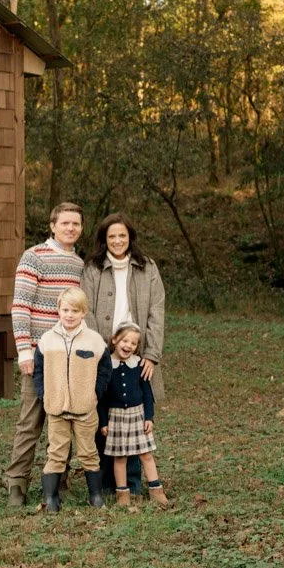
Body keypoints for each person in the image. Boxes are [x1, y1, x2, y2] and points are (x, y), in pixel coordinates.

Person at [3, 202, 86, 508]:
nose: (70, 228)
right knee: (30, 422)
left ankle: (58, 481)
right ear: (53, 225)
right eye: (65, 223)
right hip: (39, 356)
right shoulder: (33, 257)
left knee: (63, 422)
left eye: (75, 224)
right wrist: (24, 349)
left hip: (71, 357)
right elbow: (21, 305)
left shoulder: (79, 264)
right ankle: (16, 483)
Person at [81, 213, 166, 492]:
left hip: (135, 349)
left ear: (130, 237)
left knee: (135, 409)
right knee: (106, 408)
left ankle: (133, 483)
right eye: (111, 236)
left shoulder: (147, 267)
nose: (117, 241)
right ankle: (107, 483)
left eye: (122, 235)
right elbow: (87, 311)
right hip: (103, 351)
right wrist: (96, 351)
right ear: (104, 240)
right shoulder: (93, 268)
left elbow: (156, 311)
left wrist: (151, 353)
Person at [36, 288, 107, 512]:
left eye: (74, 311)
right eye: (65, 310)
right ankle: (51, 498)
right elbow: (38, 370)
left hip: (85, 409)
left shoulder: (94, 340)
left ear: (83, 312)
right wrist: (44, 394)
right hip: (57, 409)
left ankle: (95, 496)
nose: (69, 315)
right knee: (56, 452)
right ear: (58, 310)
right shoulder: (47, 340)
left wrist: (94, 393)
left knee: (88, 452)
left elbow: (105, 370)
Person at [96, 323, 168, 509]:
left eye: (133, 343)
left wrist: (149, 418)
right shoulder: (106, 366)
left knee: (146, 454)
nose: (128, 345)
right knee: (120, 458)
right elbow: (102, 399)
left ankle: (156, 490)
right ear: (114, 340)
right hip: (116, 418)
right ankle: (123, 494)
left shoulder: (138, 364)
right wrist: (103, 421)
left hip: (137, 415)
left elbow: (147, 394)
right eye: (124, 340)